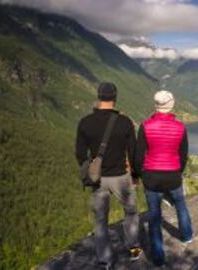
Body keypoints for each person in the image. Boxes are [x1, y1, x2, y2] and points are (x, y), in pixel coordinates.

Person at [75, 82, 142, 269]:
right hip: (121, 177)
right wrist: (135, 174)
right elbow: (134, 152)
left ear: (98, 96)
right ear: (115, 97)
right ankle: (134, 248)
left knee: (100, 220)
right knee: (130, 211)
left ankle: (105, 260)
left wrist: (91, 170)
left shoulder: (85, 122)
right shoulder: (125, 122)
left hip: (98, 180)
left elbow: (80, 154)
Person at [135, 90, 193, 267]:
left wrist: (141, 174)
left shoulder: (145, 126)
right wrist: (178, 171)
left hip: (151, 176)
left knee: (154, 216)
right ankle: (186, 236)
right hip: (173, 175)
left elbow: (138, 155)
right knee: (180, 205)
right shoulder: (180, 127)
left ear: (156, 105)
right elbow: (183, 155)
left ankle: (159, 258)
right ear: (171, 104)